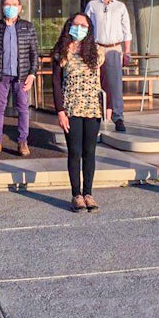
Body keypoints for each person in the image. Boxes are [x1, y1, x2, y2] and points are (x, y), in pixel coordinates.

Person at [52, 13, 105, 212]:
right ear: (69, 26)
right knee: (74, 151)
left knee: (89, 152)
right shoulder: (62, 51)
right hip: (71, 108)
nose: (79, 28)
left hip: (92, 108)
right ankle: (76, 194)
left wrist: (108, 105)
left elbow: (103, 78)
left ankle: (88, 193)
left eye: (83, 25)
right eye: (76, 25)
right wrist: (60, 111)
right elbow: (56, 82)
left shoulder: (97, 51)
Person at [0, 0, 39, 157]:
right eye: (7, 4)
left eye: (14, 4)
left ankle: (22, 142)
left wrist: (32, 74)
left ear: (20, 8)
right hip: (0, 75)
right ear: (2, 7)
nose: (11, 7)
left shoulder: (27, 27)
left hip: (21, 75)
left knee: (23, 108)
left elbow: (34, 53)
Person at [84, 0, 131, 132]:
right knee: (93, 82)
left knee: (115, 83)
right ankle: (95, 115)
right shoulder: (92, 5)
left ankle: (118, 117)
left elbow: (127, 31)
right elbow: (86, 27)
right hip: (96, 47)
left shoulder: (120, 7)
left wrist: (127, 51)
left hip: (114, 48)